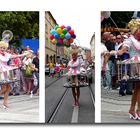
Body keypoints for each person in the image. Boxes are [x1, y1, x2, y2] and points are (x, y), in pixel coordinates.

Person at [0, 41, 27, 109]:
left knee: (8, 88)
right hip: (1, 72)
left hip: (6, 71)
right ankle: (5, 103)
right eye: (1, 47)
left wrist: (22, 55)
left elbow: (14, 56)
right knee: (4, 88)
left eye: (4, 48)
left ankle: (5, 103)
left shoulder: (6, 54)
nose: (2, 49)